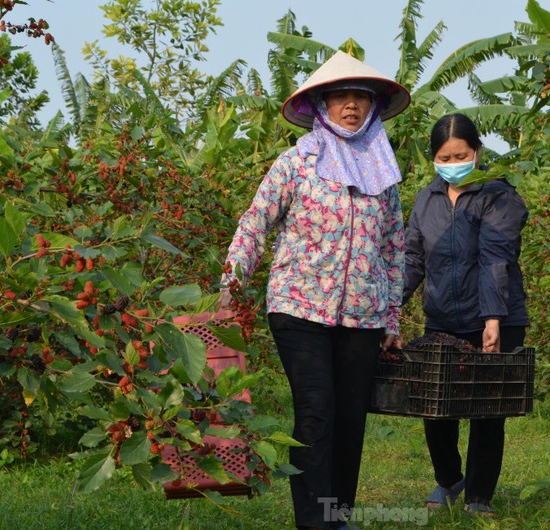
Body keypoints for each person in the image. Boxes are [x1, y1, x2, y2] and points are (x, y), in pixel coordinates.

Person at [219, 51, 410, 530]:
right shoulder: (297, 162)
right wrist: (231, 282)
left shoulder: (383, 174)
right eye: (341, 97)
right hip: (298, 308)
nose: (352, 106)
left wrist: (391, 321)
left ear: (372, 108)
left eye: (361, 98)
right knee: (316, 412)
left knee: (350, 420)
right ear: (322, 105)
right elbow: (255, 222)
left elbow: (393, 250)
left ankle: (336, 516)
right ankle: (312, 522)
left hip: (363, 315)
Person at [400, 113, 530, 514]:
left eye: (461, 154)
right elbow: (412, 259)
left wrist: (492, 317)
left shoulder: (498, 195)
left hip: (497, 318)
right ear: (433, 158)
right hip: (442, 320)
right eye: (444, 156)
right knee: (436, 407)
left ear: (476, 151)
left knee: (486, 410)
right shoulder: (426, 199)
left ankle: (478, 495)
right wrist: (388, 309)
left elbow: (496, 257)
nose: (453, 161)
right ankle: (448, 480)